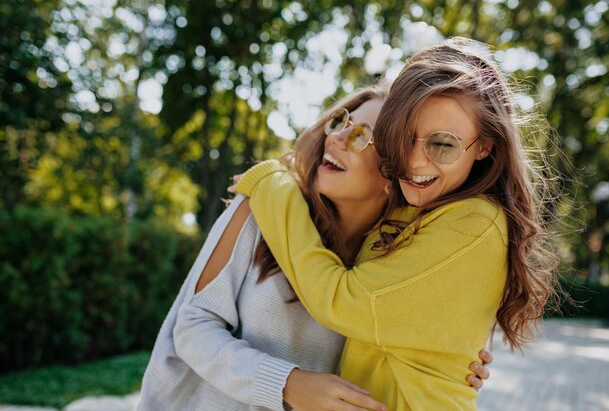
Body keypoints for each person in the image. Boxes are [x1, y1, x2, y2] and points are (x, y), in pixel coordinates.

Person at [234, 37, 560, 411]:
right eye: (404, 137)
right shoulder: (412, 209)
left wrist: (273, 186)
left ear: (485, 146)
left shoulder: (476, 222)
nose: (415, 163)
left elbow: (341, 300)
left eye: (443, 144)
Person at [137, 84, 493, 411]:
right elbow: (192, 325)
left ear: (394, 173)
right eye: (341, 122)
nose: (337, 138)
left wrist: (452, 365)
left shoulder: (396, 264)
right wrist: (286, 384)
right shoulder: (260, 209)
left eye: (361, 137)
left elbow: (413, 355)